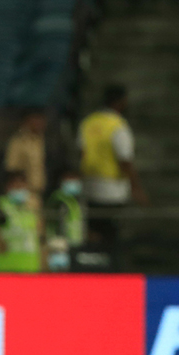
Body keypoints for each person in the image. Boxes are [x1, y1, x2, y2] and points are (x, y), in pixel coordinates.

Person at [78, 84, 148, 268]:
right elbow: (125, 160)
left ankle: (94, 269)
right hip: (112, 190)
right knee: (112, 237)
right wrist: (136, 187)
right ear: (120, 102)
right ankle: (112, 270)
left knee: (94, 234)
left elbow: (81, 153)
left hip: (89, 186)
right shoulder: (117, 126)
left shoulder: (88, 122)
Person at [0, 170, 41, 273]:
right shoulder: (1, 204)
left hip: (30, 267)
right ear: (7, 187)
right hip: (5, 267)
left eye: (22, 186)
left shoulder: (31, 206)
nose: (19, 190)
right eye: (16, 186)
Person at [4, 107, 47, 206]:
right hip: (24, 193)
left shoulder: (44, 140)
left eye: (41, 120)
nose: (39, 123)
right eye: (36, 120)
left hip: (42, 191)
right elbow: (12, 168)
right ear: (27, 121)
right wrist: (19, 187)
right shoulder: (18, 142)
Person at [45, 170, 86, 271]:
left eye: (75, 179)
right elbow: (53, 221)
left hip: (75, 242)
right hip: (60, 245)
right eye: (69, 179)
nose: (73, 182)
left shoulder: (77, 199)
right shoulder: (58, 198)